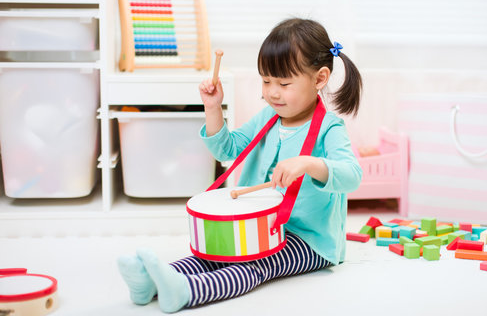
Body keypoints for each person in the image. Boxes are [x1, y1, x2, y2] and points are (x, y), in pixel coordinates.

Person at [117, 17, 363, 313]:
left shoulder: (329, 128)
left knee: (254, 263)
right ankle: (151, 282)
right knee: (215, 254)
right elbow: (227, 148)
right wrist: (212, 108)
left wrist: (310, 163)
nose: (272, 92)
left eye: (284, 83)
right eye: (266, 81)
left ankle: (186, 291)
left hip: (308, 240)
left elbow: (352, 176)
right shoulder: (268, 118)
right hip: (261, 225)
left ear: (320, 79)